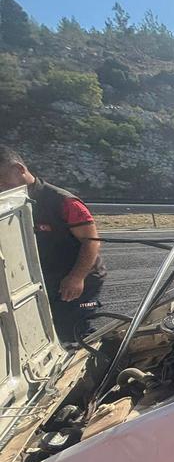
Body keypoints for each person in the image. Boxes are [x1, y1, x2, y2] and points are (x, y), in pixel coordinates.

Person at [0, 146, 106, 344]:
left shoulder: (62, 201)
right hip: (43, 279)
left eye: (2, 180)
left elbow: (92, 241)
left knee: (72, 333)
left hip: (77, 276)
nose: (1, 187)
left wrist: (76, 277)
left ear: (18, 169)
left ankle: (97, 367)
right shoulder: (11, 204)